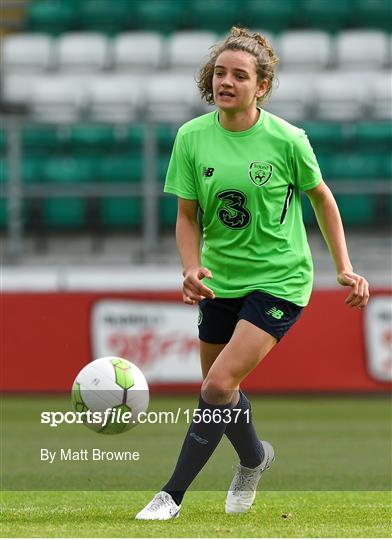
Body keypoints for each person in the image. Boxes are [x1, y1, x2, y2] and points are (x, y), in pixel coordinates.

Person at [135, 26, 369, 520]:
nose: (227, 81)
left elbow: (322, 197)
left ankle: (170, 495)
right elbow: (185, 216)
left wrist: (344, 267)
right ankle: (253, 459)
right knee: (222, 389)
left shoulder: (288, 139)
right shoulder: (191, 137)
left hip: (281, 279)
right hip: (219, 280)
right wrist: (190, 266)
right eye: (220, 72)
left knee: (216, 387)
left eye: (239, 75)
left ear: (260, 86)